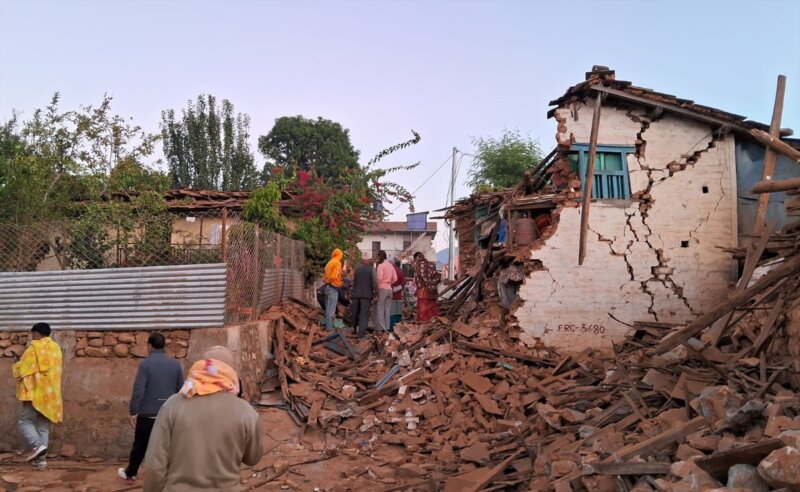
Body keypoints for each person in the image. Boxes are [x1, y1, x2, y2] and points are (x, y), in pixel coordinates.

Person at [143, 346, 263, 491]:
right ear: (231, 374)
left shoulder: (172, 405)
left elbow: (154, 463)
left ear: (201, 368)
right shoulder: (246, 412)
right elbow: (252, 458)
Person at [118, 333, 184, 483]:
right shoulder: (175, 364)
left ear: (150, 346)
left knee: (140, 445)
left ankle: (131, 473)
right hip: (169, 414)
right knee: (169, 447)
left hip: (147, 415)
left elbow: (139, 389)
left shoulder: (146, 364)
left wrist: (134, 411)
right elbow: (181, 389)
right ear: (164, 346)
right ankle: (170, 476)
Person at [12, 322, 63, 471]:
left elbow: (23, 369)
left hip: (35, 393)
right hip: (51, 394)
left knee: (25, 421)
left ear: (36, 333)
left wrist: (16, 363)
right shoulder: (56, 348)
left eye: (32, 333)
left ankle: (37, 445)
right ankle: (41, 462)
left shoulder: (34, 347)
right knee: (43, 428)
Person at [351, 258, 377, 338]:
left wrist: (354, 292)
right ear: (368, 262)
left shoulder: (357, 269)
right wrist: (376, 293)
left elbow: (354, 282)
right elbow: (374, 283)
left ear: (362, 262)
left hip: (356, 294)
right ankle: (361, 333)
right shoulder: (372, 270)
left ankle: (354, 328)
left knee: (355, 312)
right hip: (366, 295)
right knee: (364, 314)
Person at [412, 252, 441, 322]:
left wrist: (428, 283)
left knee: (423, 310)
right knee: (431, 308)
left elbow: (423, 276)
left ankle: (423, 323)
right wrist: (431, 284)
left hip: (423, 291)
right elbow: (436, 275)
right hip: (431, 291)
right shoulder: (430, 265)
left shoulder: (418, 265)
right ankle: (433, 322)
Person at [375, 250, 397, 332]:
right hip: (389, 289)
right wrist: (389, 283)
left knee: (380, 309)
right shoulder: (391, 266)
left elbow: (379, 278)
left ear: (379, 257)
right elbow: (395, 279)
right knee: (387, 310)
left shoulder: (381, 266)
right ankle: (387, 328)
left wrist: (379, 285)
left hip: (382, 289)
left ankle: (381, 328)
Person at [322, 248, 344, 331]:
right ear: (339, 255)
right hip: (333, 288)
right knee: (331, 311)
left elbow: (324, 277)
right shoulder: (337, 263)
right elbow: (334, 276)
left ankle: (328, 327)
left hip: (327, 288)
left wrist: (326, 281)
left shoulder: (329, 263)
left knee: (328, 310)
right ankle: (330, 329)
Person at [389, 258, 406, 331]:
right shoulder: (400, 271)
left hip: (390, 294)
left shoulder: (390, 271)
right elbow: (403, 282)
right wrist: (398, 288)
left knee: (391, 312)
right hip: (398, 294)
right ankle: (398, 327)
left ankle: (391, 328)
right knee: (398, 311)